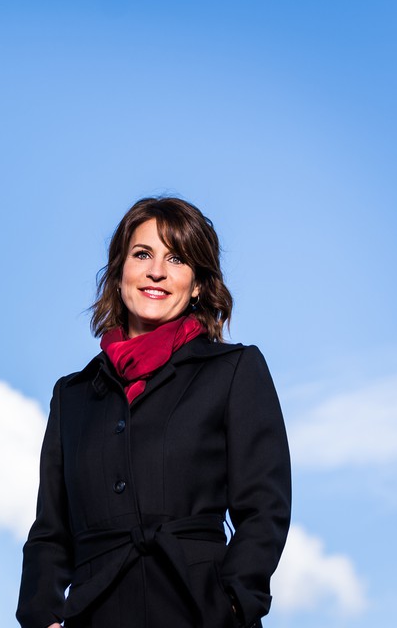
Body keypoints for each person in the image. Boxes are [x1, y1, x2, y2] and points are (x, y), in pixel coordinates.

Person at [16, 197, 291, 628]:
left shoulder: (234, 370)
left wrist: (234, 604)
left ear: (198, 284)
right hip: (95, 613)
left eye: (176, 258)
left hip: (199, 610)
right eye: (142, 254)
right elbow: (50, 532)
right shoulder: (71, 397)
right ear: (119, 271)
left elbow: (265, 509)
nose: (156, 271)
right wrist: (42, 617)